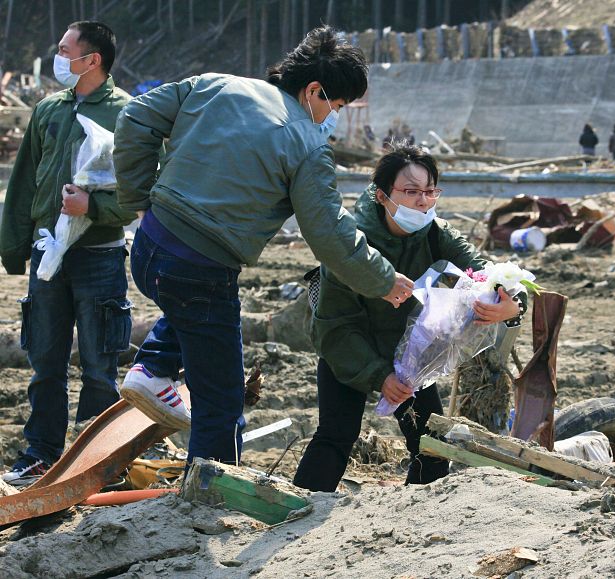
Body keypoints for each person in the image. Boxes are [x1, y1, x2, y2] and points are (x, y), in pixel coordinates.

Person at [113, 26, 414, 467]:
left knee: (193, 315)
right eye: (337, 105)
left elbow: (135, 117)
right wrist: (384, 281)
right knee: (221, 398)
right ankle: (210, 495)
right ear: (314, 90)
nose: (333, 116)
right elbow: (330, 234)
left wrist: (140, 200)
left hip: (150, 246)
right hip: (202, 267)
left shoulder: (215, 84)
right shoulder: (307, 144)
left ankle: (153, 366)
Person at [293, 144, 526, 492]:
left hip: (411, 355)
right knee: (336, 435)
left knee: (430, 444)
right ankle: (297, 509)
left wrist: (511, 305)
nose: (423, 201)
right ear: (382, 195)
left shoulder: (436, 233)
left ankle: (415, 518)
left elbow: (488, 271)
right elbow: (335, 325)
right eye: (411, 191)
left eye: (431, 191)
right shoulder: (350, 243)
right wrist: (379, 374)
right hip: (349, 345)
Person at [0, 22, 135, 483]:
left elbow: (142, 191)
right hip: (48, 255)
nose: (57, 57)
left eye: (64, 49)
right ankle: (41, 451)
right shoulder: (47, 111)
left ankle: (95, 461)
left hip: (99, 254)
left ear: (91, 59)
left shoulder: (127, 114)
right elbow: (22, 185)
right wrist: (14, 249)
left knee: (100, 364)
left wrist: (92, 207)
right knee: (45, 360)